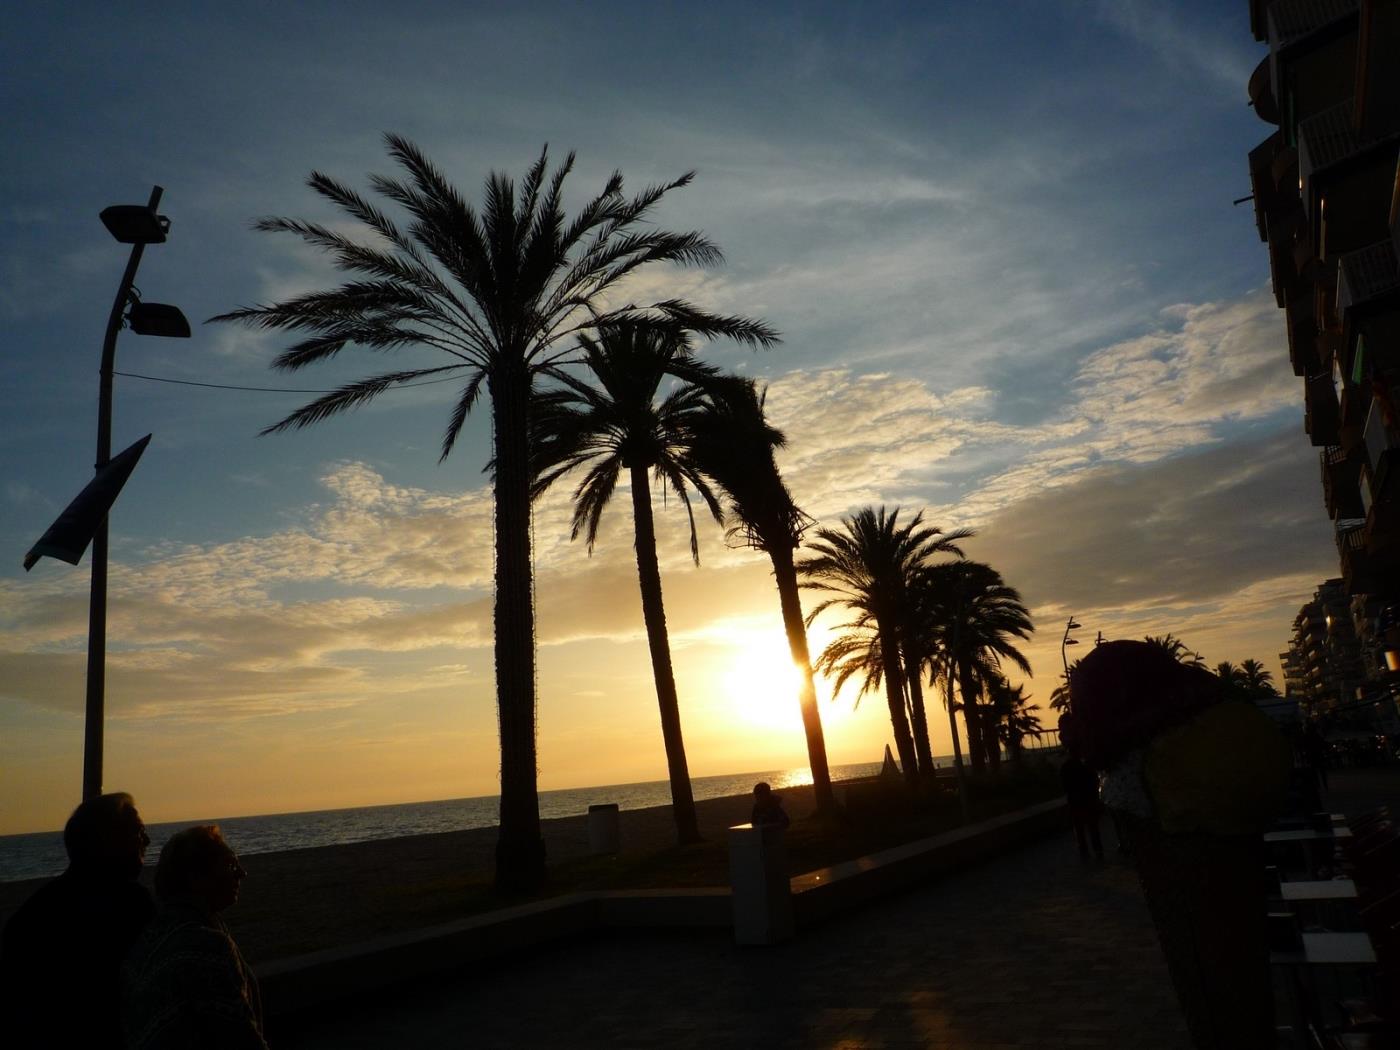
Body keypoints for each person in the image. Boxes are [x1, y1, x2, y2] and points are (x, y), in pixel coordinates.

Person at [0, 791, 155, 1049]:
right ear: (107, 841)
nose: (147, 841)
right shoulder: (131, 905)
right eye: (138, 832)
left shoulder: (30, 915)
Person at [123, 825, 267, 1050]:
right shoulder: (206, 946)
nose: (242, 873)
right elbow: (239, 1037)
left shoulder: (150, 936)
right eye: (230, 865)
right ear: (197, 878)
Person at [1058, 715, 1104, 861]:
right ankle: (1096, 849)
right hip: (1085, 790)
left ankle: (1085, 851)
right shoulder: (1083, 757)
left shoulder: (1067, 764)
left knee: (1080, 824)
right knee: (1090, 823)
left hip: (1077, 792)